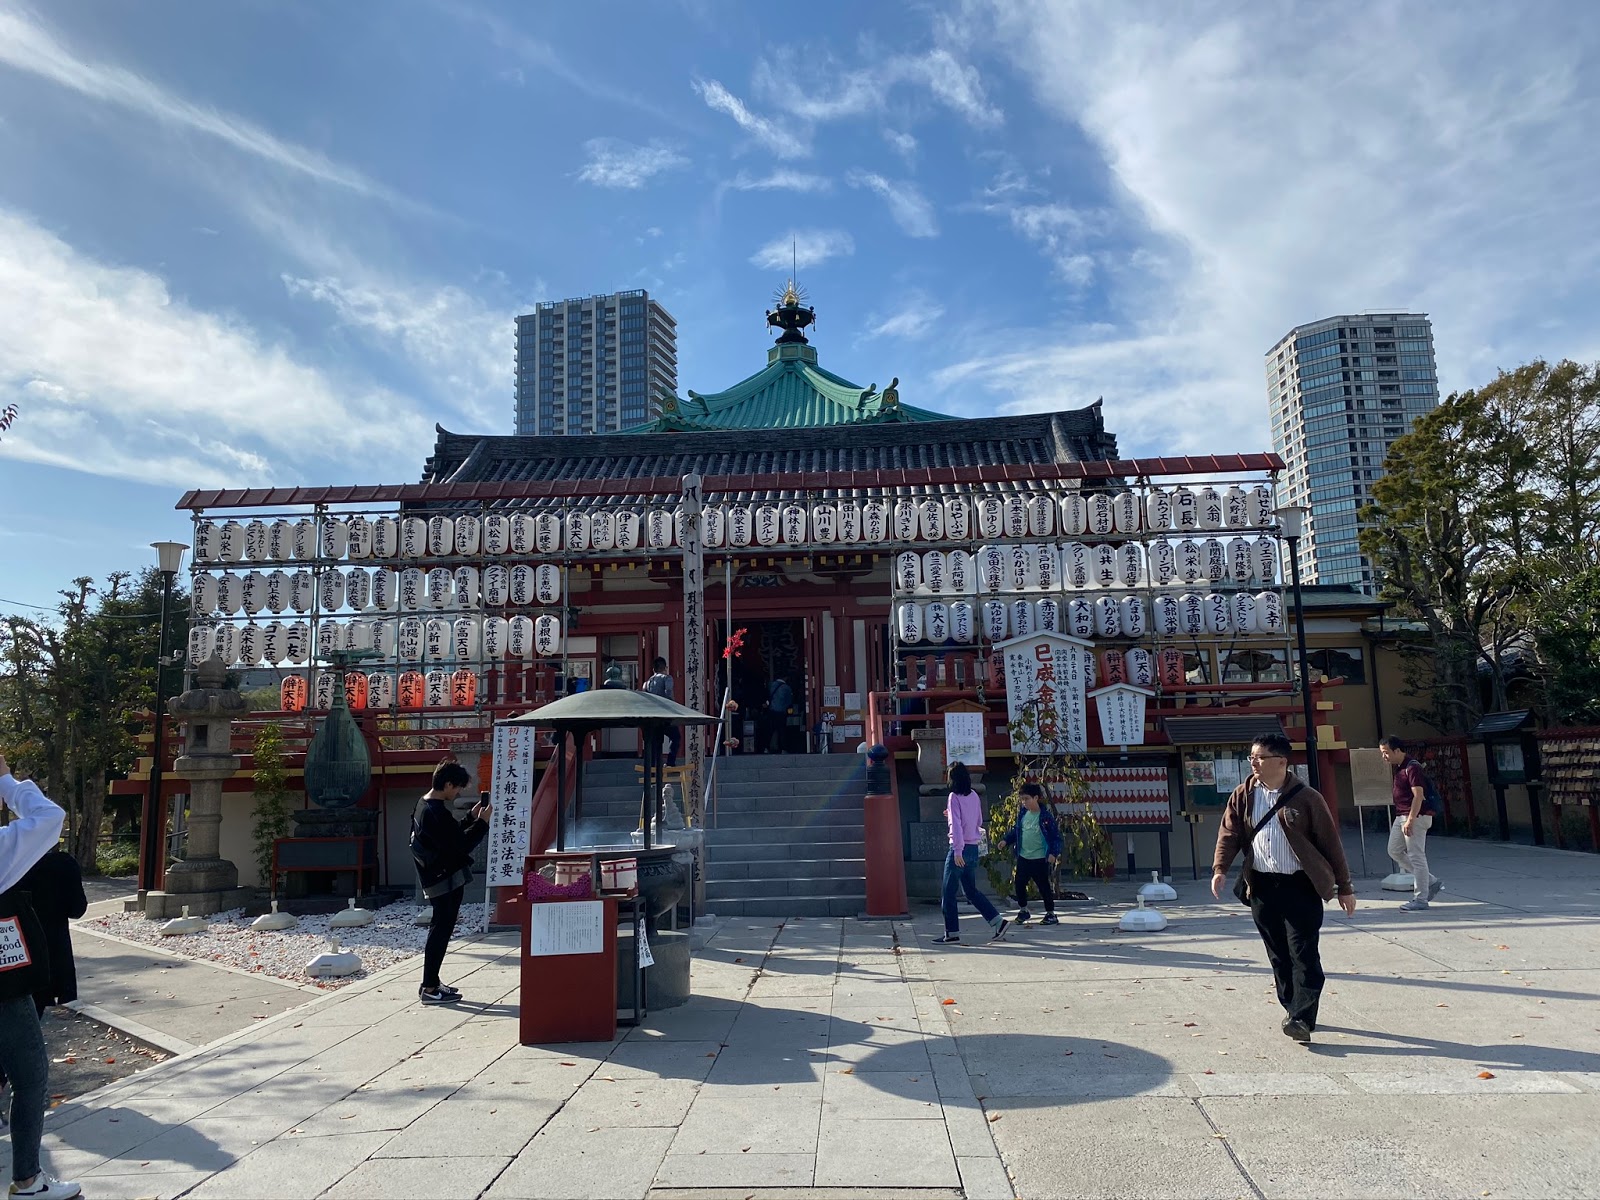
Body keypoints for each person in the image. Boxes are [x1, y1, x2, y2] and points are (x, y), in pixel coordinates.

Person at [1212, 733, 1356, 1045]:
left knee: (1303, 953)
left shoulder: (1307, 798)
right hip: (1261, 885)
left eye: (1260, 757)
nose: (1253, 762)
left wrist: (1345, 887)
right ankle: (1294, 1008)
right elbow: (1229, 832)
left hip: (1300, 885)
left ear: (1281, 761)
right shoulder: (1244, 794)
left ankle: (1301, 1017)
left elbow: (1331, 844)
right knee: (1278, 955)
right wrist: (1220, 868)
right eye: (1251, 757)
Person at [0, 753, 82, 1199]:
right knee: (30, 1078)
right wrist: (8, 782)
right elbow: (50, 817)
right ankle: (28, 1180)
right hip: (4, 988)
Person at [409, 759, 491, 1005]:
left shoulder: (424, 804)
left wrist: (470, 817)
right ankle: (430, 987)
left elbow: (450, 836)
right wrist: (482, 823)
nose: (457, 793)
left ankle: (431, 982)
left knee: (441, 928)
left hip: (435, 873)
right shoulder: (436, 812)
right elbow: (461, 845)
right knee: (441, 929)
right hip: (442, 877)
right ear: (447, 784)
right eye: (457, 788)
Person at [937, 762, 1008, 944]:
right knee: (971, 891)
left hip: (959, 849)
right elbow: (977, 820)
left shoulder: (953, 797)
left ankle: (951, 933)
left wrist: (957, 851)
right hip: (973, 847)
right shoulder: (974, 795)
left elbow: (956, 826)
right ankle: (997, 921)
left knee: (948, 893)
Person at [1379, 736, 1443, 911]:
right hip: (1401, 815)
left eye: (1386, 752)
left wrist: (1411, 820)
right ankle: (1430, 881)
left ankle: (1421, 899)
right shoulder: (1400, 767)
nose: (1384, 756)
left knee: (1416, 856)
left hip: (1415, 816)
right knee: (1394, 850)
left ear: (1397, 750)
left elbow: (1418, 796)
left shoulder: (1412, 767)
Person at [1003, 783, 1062, 925]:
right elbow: (1016, 831)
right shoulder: (1023, 814)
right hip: (1024, 857)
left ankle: (1050, 914)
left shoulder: (1045, 817)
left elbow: (1055, 837)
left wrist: (1053, 853)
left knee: (1043, 886)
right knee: (1019, 884)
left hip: (1040, 858)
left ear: (1036, 798)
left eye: (1027, 799)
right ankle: (1023, 910)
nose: (1024, 802)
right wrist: (1006, 840)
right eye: (1022, 799)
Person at [641, 657, 681, 767]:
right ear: (665, 668)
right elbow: (668, 692)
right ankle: (670, 762)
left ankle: (653, 767)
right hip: (665, 715)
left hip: (653, 717)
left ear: (653, 669)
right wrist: (673, 706)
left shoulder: (647, 683)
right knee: (675, 737)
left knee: (656, 742)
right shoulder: (667, 678)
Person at [763, 675, 794, 754]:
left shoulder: (771, 685)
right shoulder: (787, 688)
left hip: (771, 711)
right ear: (785, 678)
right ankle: (783, 748)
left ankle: (766, 747)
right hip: (781, 712)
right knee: (782, 731)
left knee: (770, 730)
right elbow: (789, 702)